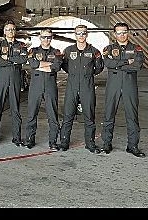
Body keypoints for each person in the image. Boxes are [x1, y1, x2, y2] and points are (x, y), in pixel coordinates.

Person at [100, 22, 145, 157]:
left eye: (124, 32)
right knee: (109, 114)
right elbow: (108, 63)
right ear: (115, 34)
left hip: (129, 85)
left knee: (132, 115)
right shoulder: (109, 49)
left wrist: (117, 65)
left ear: (128, 32)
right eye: (119, 32)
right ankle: (107, 143)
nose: (122, 35)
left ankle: (133, 146)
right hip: (113, 85)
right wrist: (126, 62)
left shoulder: (136, 48)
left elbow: (137, 65)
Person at [60, 25, 104, 153]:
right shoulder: (68, 50)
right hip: (72, 86)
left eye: (83, 33)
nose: (81, 35)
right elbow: (65, 66)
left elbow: (99, 67)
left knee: (89, 116)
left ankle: (90, 143)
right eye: (78, 33)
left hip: (87, 86)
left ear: (87, 34)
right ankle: (64, 142)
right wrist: (75, 75)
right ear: (75, 35)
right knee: (68, 115)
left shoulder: (94, 51)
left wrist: (87, 75)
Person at [23, 28, 62, 151]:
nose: (46, 39)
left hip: (50, 86)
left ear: (52, 38)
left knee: (53, 114)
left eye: (49, 37)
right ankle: (30, 139)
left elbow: (56, 66)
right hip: (36, 85)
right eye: (44, 37)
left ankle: (53, 141)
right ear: (40, 38)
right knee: (32, 113)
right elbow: (32, 64)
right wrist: (48, 64)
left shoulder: (56, 52)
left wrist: (40, 65)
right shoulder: (33, 51)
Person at [0, 20, 28, 147]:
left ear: (15, 31)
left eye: (12, 29)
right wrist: (14, 61)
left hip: (15, 78)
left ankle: (17, 137)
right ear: (4, 31)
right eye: (8, 29)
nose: (10, 31)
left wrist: (9, 58)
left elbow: (23, 59)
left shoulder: (21, 45)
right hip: (1, 78)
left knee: (15, 108)